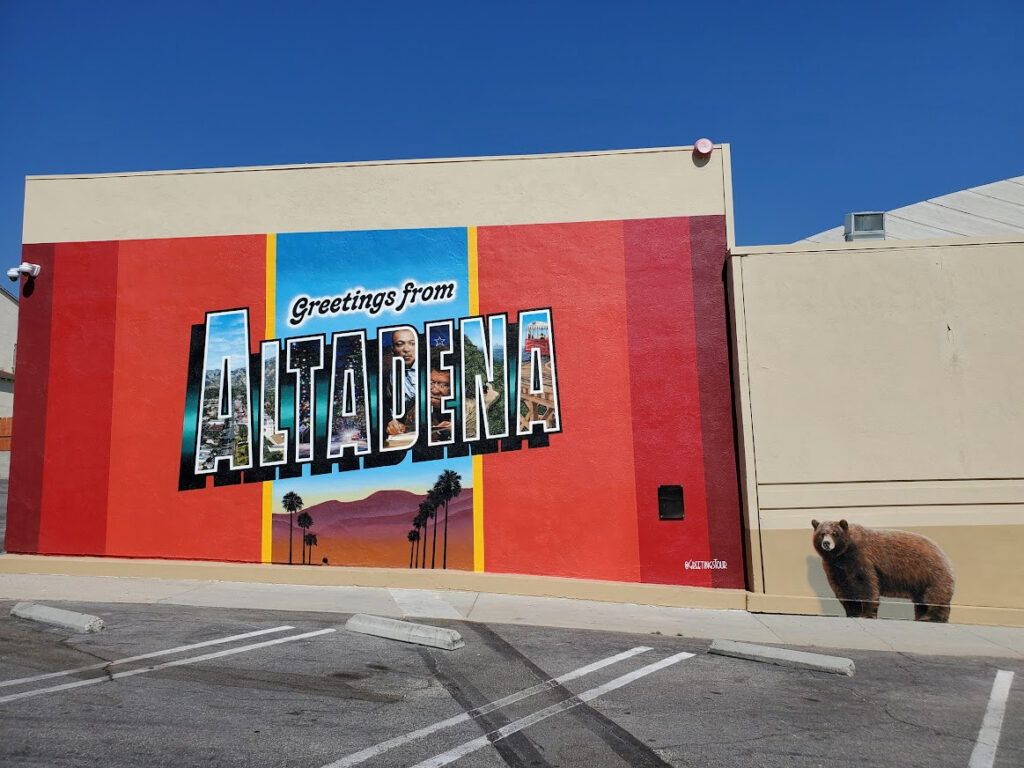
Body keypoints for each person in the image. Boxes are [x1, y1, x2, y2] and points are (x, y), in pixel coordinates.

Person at [383, 328, 418, 442]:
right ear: (393, 349)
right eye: (400, 344)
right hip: (403, 436)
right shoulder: (386, 373)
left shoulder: (432, 367)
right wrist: (389, 421)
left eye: (412, 343)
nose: (406, 349)